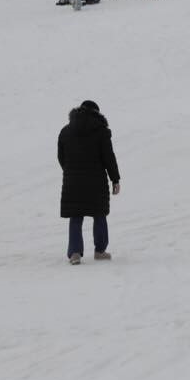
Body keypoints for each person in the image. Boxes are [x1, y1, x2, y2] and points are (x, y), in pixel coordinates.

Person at [59, 100, 121, 264]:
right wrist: (115, 179)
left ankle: (74, 253)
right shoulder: (101, 132)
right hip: (96, 182)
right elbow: (109, 158)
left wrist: (71, 171)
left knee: (76, 215)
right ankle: (100, 251)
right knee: (99, 214)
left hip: (73, 182)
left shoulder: (65, 132)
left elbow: (61, 157)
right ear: (96, 113)